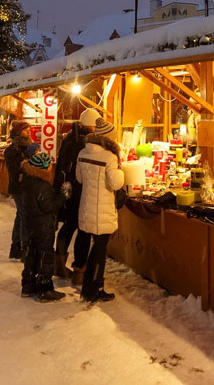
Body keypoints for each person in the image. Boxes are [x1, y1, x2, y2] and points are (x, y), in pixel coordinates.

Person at [76, 118, 124, 303]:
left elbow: (79, 179)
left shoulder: (82, 152)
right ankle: (94, 288)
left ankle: (90, 287)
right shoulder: (109, 157)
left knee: (96, 248)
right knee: (100, 251)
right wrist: (121, 171)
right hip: (102, 210)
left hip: (87, 207)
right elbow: (115, 183)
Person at [53, 108, 99, 282]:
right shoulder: (83, 142)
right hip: (79, 190)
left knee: (69, 226)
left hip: (67, 190)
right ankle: (80, 270)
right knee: (83, 230)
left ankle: (59, 264)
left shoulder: (70, 137)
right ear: (91, 125)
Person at [18, 149, 70, 301]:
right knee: (45, 254)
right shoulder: (42, 185)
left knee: (32, 253)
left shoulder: (28, 180)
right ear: (43, 168)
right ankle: (45, 288)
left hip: (32, 223)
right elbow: (49, 206)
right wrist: (63, 196)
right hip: (43, 225)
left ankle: (28, 285)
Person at [4, 121, 32, 260]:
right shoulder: (12, 149)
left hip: (28, 186)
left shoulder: (30, 146)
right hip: (19, 187)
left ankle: (15, 247)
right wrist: (26, 164)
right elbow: (15, 168)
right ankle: (24, 248)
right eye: (26, 129)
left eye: (29, 129)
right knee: (25, 216)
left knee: (20, 216)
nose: (28, 131)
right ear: (19, 131)